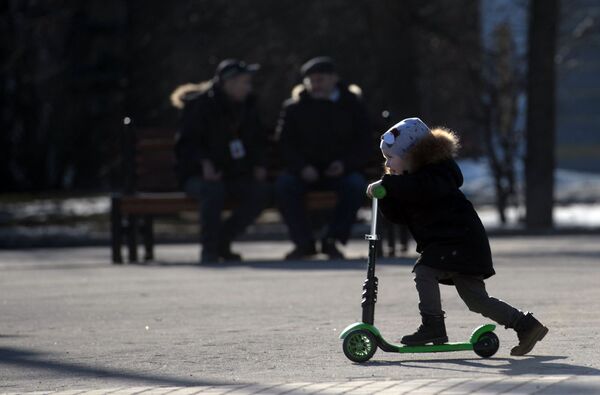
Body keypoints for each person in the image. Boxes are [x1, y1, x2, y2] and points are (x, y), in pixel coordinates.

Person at [366, 117, 548, 356]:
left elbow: (424, 188)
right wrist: (386, 197)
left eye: (391, 158)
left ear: (413, 153)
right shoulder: (410, 182)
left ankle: (433, 325)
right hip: (452, 245)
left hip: (461, 242)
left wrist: (390, 184)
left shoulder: (438, 173)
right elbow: (402, 215)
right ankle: (527, 325)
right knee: (476, 301)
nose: (388, 165)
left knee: (425, 270)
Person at [172, 59, 270, 264]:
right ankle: (210, 250)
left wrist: (259, 164)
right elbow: (186, 144)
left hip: (234, 174)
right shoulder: (199, 106)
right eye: (244, 82)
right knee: (212, 191)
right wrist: (204, 163)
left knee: (261, 193)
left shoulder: (248, 106)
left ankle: (222, 241)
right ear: (228, 83)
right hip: (200, 176)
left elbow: (259, 140)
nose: (248, 87)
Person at [275, 57, 371, 260]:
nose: (316, 85)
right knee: (285, 185)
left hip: (340, 171)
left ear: (334, 79)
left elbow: (364, 143)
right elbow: (284, 145)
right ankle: (303, 243)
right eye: (311, 80)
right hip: (304, 171)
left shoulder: (352, 105)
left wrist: (344, 164)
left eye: (321, 79)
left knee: (355, 185)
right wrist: (301, 167)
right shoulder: (294, 108)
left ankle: (332, 240)